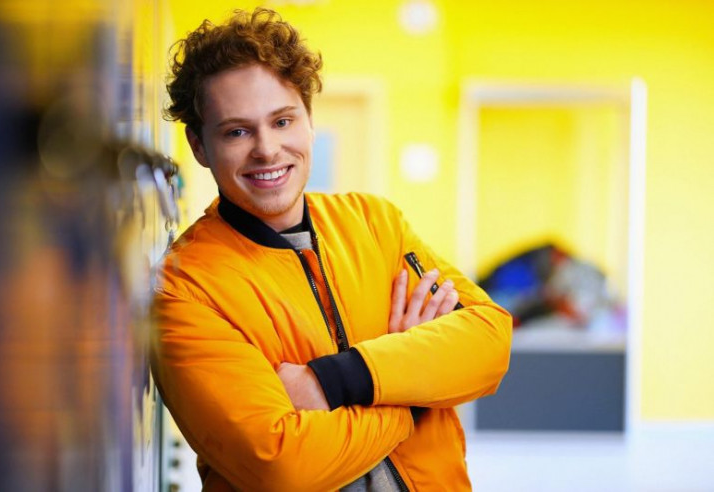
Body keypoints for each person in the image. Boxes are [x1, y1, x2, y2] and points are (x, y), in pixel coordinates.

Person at [152, 7, 512, 491]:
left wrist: (331, 381)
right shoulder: (184, 287)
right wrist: (413, 387)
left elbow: (489, 341)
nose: (267, 149)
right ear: (198, 145)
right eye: (237, 131)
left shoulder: (374, 223)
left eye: (282, 121)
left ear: (309, 122)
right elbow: (281, 465)